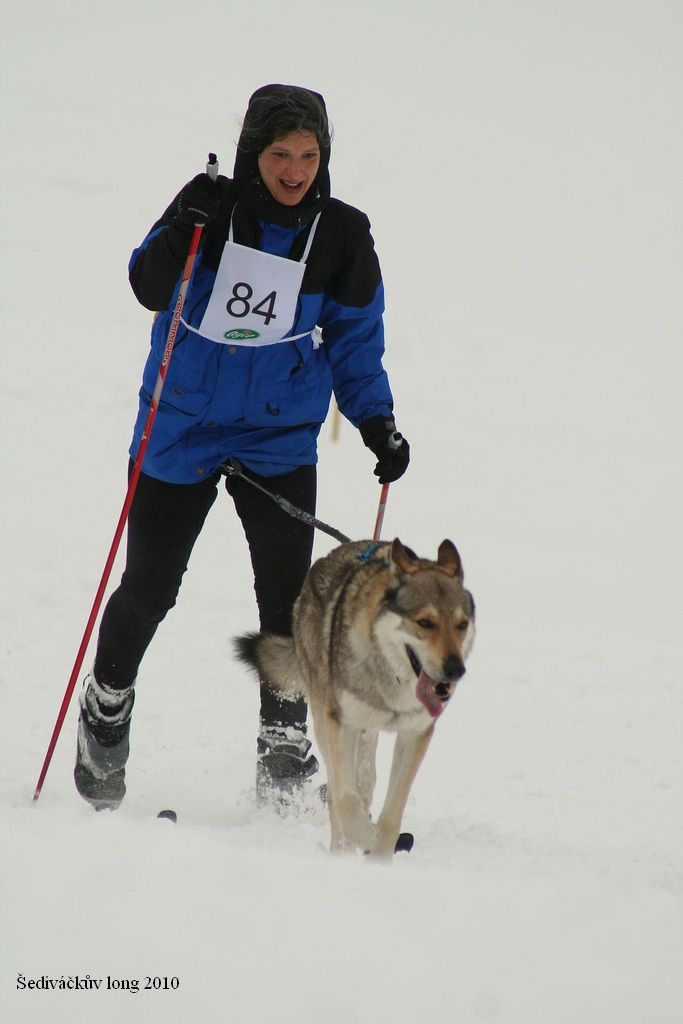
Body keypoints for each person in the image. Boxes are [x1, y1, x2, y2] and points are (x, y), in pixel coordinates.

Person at [74, 84, 410, 810]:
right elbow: (147, 285)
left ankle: (284, 740)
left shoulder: (343, 234)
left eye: (309, 155)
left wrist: (376, 421)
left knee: (287, 601)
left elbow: (356, 343)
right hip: (182, 424)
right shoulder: (210, 205)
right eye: (279, 154)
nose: (293, 170)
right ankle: (106, 706)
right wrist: (179, 229)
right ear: (251, 152)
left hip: (278, 433)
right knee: (151, 586)